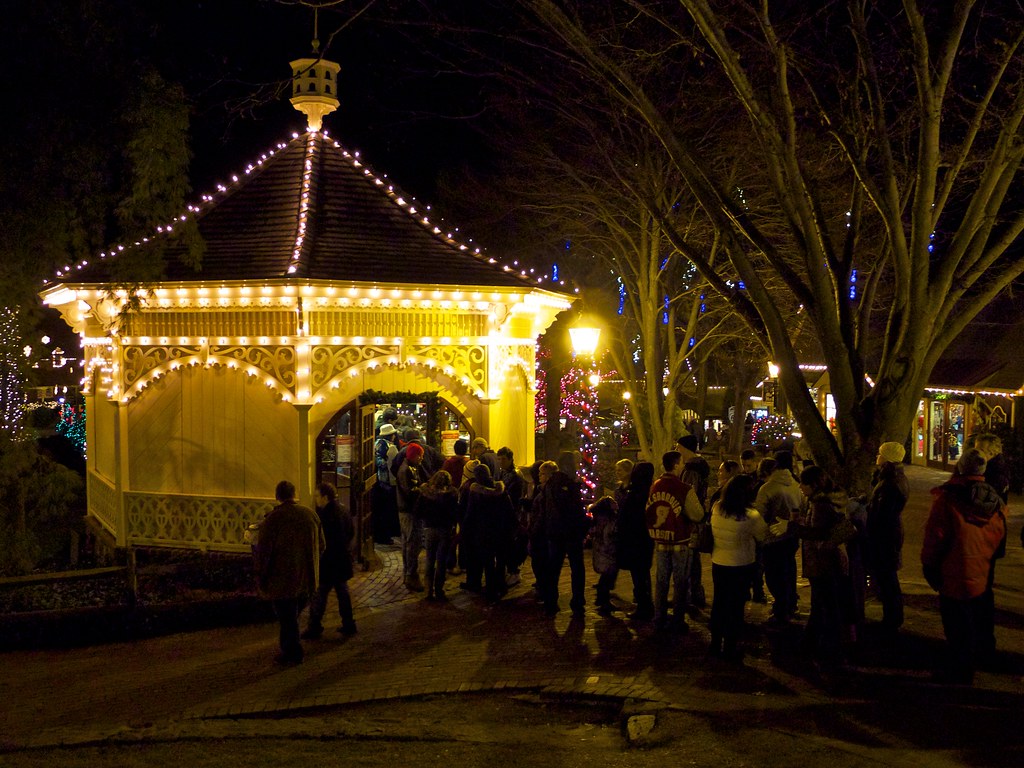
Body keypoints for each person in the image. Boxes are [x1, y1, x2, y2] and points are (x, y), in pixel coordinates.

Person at [921, 448, 1007, 684]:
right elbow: (999, 533)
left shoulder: (948, 499)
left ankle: (959, 671)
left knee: (956, 625)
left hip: (953, 570)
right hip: (981, 569)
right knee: (975, 619)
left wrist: (929, 565)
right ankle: (974, 660)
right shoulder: (994, 500)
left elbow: (935, 536)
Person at [774, 466, 852, 667]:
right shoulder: (831, 499)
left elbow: (817, 533)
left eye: (803, 483)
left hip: (821, 559)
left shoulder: (820, 504)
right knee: (823, 603)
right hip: (830, 558)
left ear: (813, 485)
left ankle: (829, 647)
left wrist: (791, 526)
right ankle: (813, 642)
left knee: (825, 603)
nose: (800, 487)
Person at [255, 480, 324, 666]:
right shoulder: (310, 515)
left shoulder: (273, 520)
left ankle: (293, 652)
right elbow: (322, 545)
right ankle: (291, 648)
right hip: (307, 578)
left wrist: (262, 577)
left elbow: (264, 553)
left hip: (283, 579)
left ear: (277, 496)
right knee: (291, 616)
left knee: (287, 618)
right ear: (294, 494)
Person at [709, 474, 768, 661]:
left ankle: (715, 643)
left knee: (719, 602)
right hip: (741, 564)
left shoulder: (717, 507)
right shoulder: (751, 516)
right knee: (735, 606)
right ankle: (730, 647)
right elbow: (762, 536)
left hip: (719, 562)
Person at [646, 451, 705, 632]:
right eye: (681, 463)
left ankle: (659, 617)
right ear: (676, 465)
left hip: (661, 539)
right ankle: (678, 620)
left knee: (661, 580)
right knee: (680, 582)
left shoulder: (655, 486)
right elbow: (698, 514)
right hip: (680, 541)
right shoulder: (684, 488)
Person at [866, 441, 910, 637]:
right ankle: (892, 617)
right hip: (888, 534)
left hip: (885, 536)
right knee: (887, 577)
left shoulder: (890, 483)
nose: (877, 456)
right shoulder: (891, 478)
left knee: (888, 578)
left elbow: (882, 514)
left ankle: (892, 619)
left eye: (880, 453)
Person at [302, 483, 356, 639]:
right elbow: (351, 533)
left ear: (325, 497)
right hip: (342, 560)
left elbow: (323, 542)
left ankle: (314, 626)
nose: (315, 499)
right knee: (343, 593)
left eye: (317, 496)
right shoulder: (344, 510)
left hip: (329, 563)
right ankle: (348, 623)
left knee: (319, 595)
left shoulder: (324, 517)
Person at [754, 451, 803, 624]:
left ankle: (781, 609)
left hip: (773, 537)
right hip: (792, 536)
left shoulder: (768, 488)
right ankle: (790, 604)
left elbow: (759, 516)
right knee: (789, 570)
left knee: (774, 575)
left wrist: (758, 535)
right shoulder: (796, 484)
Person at [464, 463, 517, 603]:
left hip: (483, 531)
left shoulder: (476, 492)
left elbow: (471, 514)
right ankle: (500, 585)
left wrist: (466, 530)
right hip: (500, 530)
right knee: (500, 560)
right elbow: (509, 509)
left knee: (487, 561)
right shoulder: (500, 489)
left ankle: (491, 589)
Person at [539, 464, 588, 617]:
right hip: (573, 533)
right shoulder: (571, 484)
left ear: (547, 474)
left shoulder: (549, 487)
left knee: (553, 569)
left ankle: (551, 603)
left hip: (556, 533)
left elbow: (547, 512)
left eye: (541, 474)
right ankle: (578, 603)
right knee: (577, 569)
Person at [617, 461, 656, 621]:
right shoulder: (650, 491)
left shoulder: (635, 493)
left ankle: (644, 606)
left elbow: (626, 517)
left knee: (638, 574)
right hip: (645, 537)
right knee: (643, 572)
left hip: (634, 538)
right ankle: (646, 603)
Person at [415, 469, 460, 601]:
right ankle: (439, 589)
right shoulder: (452, 495)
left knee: (430, 559)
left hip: (429, 529)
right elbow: (455, 513)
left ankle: (428, 590)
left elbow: (418, 510)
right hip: (444, 530)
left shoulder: (426, 494)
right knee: (441, 561)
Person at [396, 442, 426, 592]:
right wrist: (423, 489)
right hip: (409, 511)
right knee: (412, 543)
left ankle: (409, 574)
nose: (421, 459)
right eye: (420, 456)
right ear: (414, 456)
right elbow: (410, 491)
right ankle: (411, 575)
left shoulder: (409, 468)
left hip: (408, 511)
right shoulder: (406, 470)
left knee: (409, 543)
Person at [527, 461, 558, 600]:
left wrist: (534, 530)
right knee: (539, 562)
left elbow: (543, 513)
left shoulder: (549, 492)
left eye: (543, 473)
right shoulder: (542, 489)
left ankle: (546, 592)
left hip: (542, 533)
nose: (540, 476)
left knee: (541, 562)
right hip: (540, 531)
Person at [372, 423, 400, 544]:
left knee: (379, 511)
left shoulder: (376, 444)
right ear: (391, 435)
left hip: (378, 482)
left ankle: (378, 534)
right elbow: (392, 465)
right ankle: (385, 536)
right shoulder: (390, 447)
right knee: (387, 512)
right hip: (387, 483)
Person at [590, 495, 619, 615]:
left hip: (601, 552)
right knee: (607, 577)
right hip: (607, 552)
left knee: (606, 577)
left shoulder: (598, 519)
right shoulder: (608, 521)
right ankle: (603, 601)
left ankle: (602, 599)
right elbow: (608, 536)